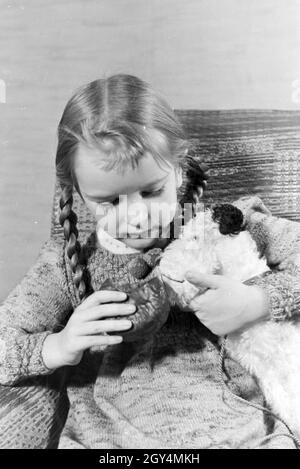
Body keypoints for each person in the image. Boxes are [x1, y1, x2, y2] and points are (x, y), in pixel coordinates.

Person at [0, 74, 300, 449]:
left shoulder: (226, 227)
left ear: (178, 169)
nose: (137, 215)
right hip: (109, 443)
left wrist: (257, 300)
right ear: (79, 193)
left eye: (151, 191)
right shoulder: (69, 264)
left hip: (244, 436)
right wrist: (60, 344)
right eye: (109, 202)